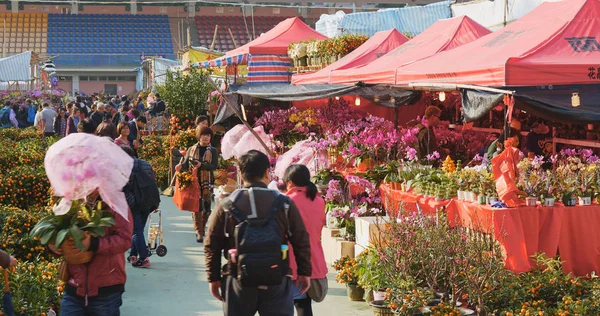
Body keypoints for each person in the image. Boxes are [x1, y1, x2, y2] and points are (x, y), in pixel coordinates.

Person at [205, 150, 312, 316]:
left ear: (240, 173)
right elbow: (301, 239)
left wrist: (213, 277)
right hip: (276, 278)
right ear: (266, 173)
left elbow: (212, 243)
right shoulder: (285, 204)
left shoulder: (226, 205)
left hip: (238, 279)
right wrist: (304, 272)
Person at [45, 133, 134, 316]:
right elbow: (57, 233)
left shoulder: (114, 203)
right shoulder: (70, 203)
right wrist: (54, 247)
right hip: (74, 287)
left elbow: (125, 240)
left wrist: (93, 243)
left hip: (106, 289)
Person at [284, 165, 328, 316]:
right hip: (313, 259)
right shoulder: (319, 201)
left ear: (289, 182)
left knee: (285, 305)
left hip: (291, 261)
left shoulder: (286, 201)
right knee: (304, 305)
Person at [176, 126, 218, 242]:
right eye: (203, 135)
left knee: (207, 207)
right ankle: (199, 232)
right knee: (197, 206)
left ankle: (202, 227)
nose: (205, 137)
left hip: (207, 181)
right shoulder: (191, 149)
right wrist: (180, 166)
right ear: (199, 136)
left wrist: (201, 165)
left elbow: (214, 166)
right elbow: (185, 163)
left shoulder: (213, 151)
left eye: (208, 135)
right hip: (194, 180)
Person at [120, 145, 159, 268]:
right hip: (148, 200)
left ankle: (144, 257)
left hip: (134, 203)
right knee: (139, 229)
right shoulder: (145, 164)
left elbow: (122, 186)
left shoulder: (124, 168)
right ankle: (133, 254)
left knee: (135, 231)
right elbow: (153, 180)